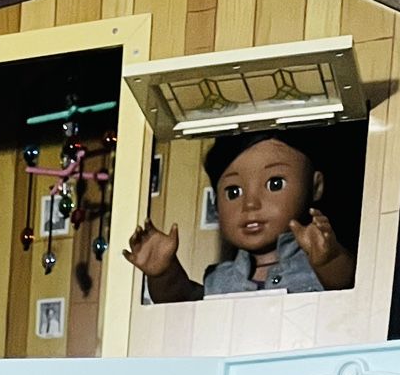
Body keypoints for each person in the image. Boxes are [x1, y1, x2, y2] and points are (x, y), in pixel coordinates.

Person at [123, 128, 355, 301]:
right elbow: (184, 305)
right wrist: (164, 273)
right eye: (233, 192)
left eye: (275, 183)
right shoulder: (220, 279)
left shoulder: (316, 267)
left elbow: (346, 285)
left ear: (315, 186)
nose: (250, 204)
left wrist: (329, 259)